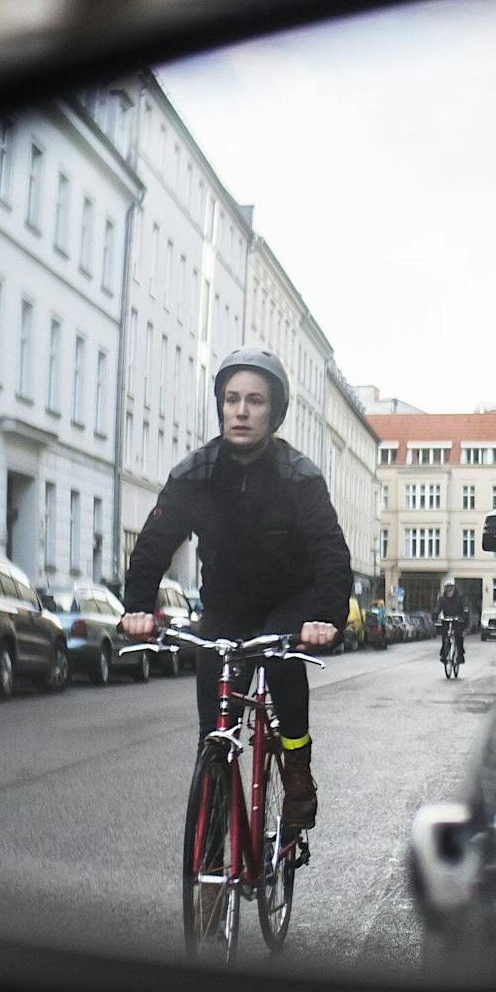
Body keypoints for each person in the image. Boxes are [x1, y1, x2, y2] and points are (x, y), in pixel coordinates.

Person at [120, 347, 348, 837]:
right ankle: (210, 852)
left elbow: (330, 552)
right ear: (220, 406)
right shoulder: (196, 473)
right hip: (226, 606)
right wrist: (137, 607)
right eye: (231, 399)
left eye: (255, 401)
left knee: (284, 669)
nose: (241, 411)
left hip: (290, 602)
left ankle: (298, 772)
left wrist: (325, 617)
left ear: (275, 411)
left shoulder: (298, 475)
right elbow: (156, 542)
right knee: (215, 729)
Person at [435, 579, 468, 665]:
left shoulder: (460, 598)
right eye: (447, 589)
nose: (449, 591)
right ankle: (444, 654)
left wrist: (464, 616)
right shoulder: (442, 599)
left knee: (458, 636)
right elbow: (438, 609)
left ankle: (460, 655)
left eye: (451, 589)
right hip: (446, 620)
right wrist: (435, 616)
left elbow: (465, 608)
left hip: (458, 620)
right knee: (444, 636)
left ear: (454, 589)